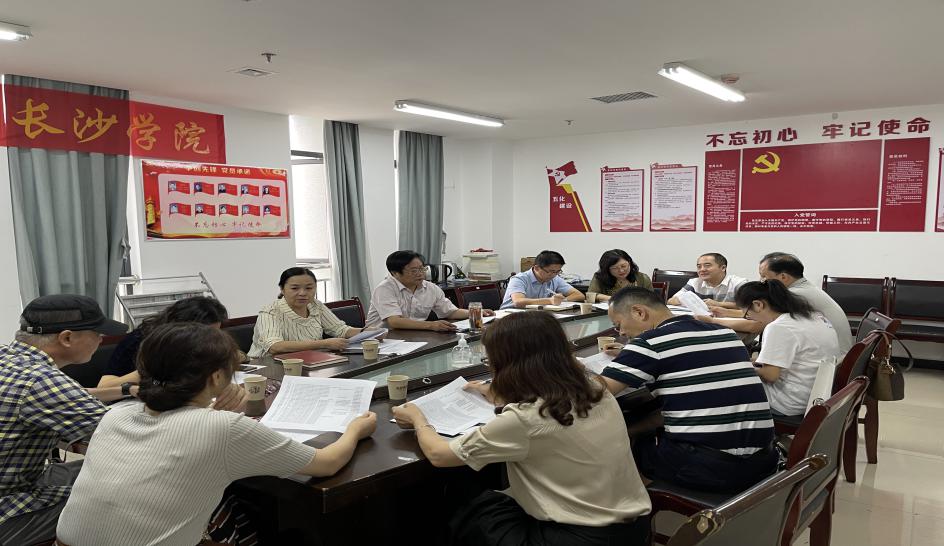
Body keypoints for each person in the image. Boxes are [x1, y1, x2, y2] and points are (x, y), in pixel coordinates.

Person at [56, 322, 377, 545]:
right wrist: (355, 428)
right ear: (217, 377)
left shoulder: (117, 413)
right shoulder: (222, 428)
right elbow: (327, 463)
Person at [392, 312, 651, 546]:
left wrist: (418, 418)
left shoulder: (526, 418)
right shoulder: (594, 389)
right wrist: (494, 392)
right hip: (633, 528)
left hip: (575, 537)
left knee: (465, 503)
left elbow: (439, 455)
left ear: (507, 364)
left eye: (491, 361)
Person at [599, 287, 777, 493]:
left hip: (712, 469)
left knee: (635, 443)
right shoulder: (725, 333)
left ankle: (642, 501)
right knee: (654, 417)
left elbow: (595, 393)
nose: (621, 333)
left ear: (639, 312)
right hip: (764, 461)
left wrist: (574, 368)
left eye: (618, 325)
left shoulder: (649, 343)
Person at [0, 294, 128, 545]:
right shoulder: (41, 379)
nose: (101, 339)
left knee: (89, 470)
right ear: (67, 338)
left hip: (19, 479)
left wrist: (125, 390)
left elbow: (67, 396)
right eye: (97, 333)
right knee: (125, 492)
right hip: (7, 507)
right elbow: (122, 432)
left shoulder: (8, 357)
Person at [97, 297, 244, 410]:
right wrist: (153, 369)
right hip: (137, 406)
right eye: (207, 333)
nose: (211, 339)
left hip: (181, 404)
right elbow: (102, 388)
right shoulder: (140, 340)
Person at [735, 280, 842, 417]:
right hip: (820, 393)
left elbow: (771, 375)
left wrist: (745, 367)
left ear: (758, 305)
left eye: (747, 315)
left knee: (729, 384)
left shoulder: (778, 327)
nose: (750, 319)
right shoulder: (815, 316)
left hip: (790, 402)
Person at [249, 267, 371, 357]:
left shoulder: (315, 305)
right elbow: (275, 346)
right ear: (282, 289)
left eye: (309, 288)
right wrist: (324, 343)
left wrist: (366, 332)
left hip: (309, 360)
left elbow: (340, 329)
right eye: (295, 288)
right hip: (269, 367)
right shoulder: (270, 312)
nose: (302, 293)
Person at [365, 251, 492, 331]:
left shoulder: (430, 288)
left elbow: (450, 312)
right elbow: (395, 322)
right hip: (382, 340)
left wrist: (476, 313)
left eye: (422, 269)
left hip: (414, 336)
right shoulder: (385, 289)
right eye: (414, 271)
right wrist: (432, 325)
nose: (420, 274)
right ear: (395, 273)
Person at [499, 250, 585, 309]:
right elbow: (518, 302)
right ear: (536, 268)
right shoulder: (519, 279)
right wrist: (550, 301)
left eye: (558, 271)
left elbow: (579, 295)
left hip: (535, 315)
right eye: (551, 271)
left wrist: (562, 300)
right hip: (510, 317)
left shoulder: (555, 278)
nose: (554, 275)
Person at [667, 252, 746, 309]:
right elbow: (671, 301)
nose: (702, 270)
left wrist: (719, 304)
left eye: (707, 266)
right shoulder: (694, 283)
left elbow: (749, 307)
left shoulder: (738, 283)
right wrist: (694, 303)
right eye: (699, 267)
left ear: (723, 268)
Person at [587, 249, 652, 301]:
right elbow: (590, 295)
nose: (621, 270)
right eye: (615, 268)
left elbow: (652, 299)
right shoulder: (600, 277)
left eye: (624, 266)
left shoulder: (642, 278)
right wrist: (614, 299)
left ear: (629, 263)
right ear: (607, 269)